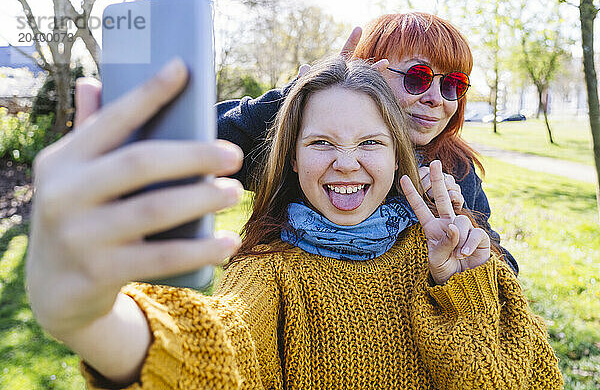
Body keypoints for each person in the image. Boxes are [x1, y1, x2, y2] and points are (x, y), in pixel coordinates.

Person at [27, 56, 563, 389]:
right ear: (292, 159)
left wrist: (459, 292)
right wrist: (92, 322)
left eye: (370, 143)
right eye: (321, 143)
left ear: (400, 155)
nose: (346, 163)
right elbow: (220, 351)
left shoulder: (461, 256)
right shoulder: (270, 272)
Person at [216, 12, 519, 275]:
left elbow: (504, 277)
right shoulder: (311, 150)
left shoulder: (455, 170)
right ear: (369, 73)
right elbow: (196, 146)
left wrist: (460, 225)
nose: (436, 98)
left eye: (453, 83)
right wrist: (300, 98)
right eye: (418, 77)